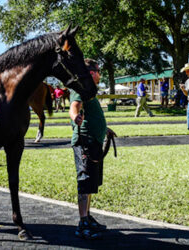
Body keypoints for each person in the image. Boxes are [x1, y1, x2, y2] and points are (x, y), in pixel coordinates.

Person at [69, 58, 115, 239]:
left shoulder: (89, 90)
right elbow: (74, 107)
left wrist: (105, 129)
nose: (100, 74)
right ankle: (82, 223)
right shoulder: (79, 89)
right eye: (98, 70)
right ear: (91, 73)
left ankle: (87, 216)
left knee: (91, 183)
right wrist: (75, 117)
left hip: (93, 140)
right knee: (85, 181)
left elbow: (91, 113)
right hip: (84, 142)